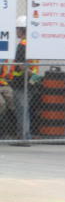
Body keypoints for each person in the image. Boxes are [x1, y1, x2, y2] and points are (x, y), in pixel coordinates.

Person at [8, 15, 39, 145]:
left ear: (22, 30)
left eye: (17, 29)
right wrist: (34, 76)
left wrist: (28, 73)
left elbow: (21, 65)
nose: (16, 31)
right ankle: (25, 136)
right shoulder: (35, 44)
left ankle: (24, 138)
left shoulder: (22, 45)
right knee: (25, 110)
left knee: (22, 111)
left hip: (21, 83)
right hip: (32, 82)